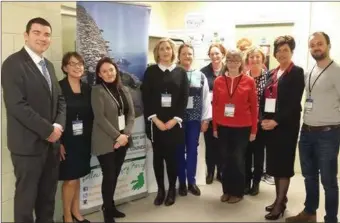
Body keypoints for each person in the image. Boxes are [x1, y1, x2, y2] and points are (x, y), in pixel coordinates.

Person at [1, 17, 66, 223]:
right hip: (28, 147)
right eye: (36, 33)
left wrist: (57, 126)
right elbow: (16, 105)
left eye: (46, 34)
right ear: (26, 35)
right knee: (25, 203)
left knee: (47, 200)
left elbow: (60, 99)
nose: (42, 38)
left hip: (51, 146)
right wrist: (48, 130)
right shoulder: (13, 64)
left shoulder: (48, 65)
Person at [286, 32, 340, 223]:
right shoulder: (310, 72)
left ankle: (331, 219)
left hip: (328, 133)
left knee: (329, 181)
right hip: (307, 132)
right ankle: (310, 213)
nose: (316, 47)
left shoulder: (337, 72)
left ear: (328, 45)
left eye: (320, 44)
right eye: (312, 45)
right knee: (309, 176)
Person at [260, 35, 305, 220]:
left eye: (285, 50)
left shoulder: (297, 72)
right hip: (271, 126)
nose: (281, 53)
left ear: (291, 51)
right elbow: (264, 99)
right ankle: (280, 198)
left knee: (284, 165)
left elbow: (294, 103)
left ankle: (279, 204)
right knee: (275, 165)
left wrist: (276, 120)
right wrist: (263, 119)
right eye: (278, 50)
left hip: (286, 126)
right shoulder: (271, 73)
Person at [142, 38, 189, 206]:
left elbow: (184, 99)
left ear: (173, 51)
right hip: (156, 123)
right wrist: (155, 119)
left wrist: (174, 120)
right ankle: (160, 190)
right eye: (162, 48)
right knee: (158, 157)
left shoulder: (181, 72)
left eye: (168, 48)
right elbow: (146, 97)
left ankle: (171, 191)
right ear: (157, 52)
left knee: (172, 158)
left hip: (174, 124)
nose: (165, 51)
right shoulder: (151, 72)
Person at [91, 57, 135, 223]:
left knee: (115, 174)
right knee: (109, 175)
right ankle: (107, 211)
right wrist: (118, 136)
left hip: (123, 139)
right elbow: (100, 118)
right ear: (99, 75)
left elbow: (131, 114)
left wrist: (126, 135)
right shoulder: (97, 90)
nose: (109, 73)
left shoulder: (123, 89)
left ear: (116, 70)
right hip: (106, 140)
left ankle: (110, 205)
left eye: (111, 70)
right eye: (104, 71)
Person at [212, 50, 258, 204]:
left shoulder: (249, 81)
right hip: (223, 126)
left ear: (241, 62)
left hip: (242, 127)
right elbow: (216, 105)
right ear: (226, 61)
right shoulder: (219, 81)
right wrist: (215, 127)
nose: (233, 62)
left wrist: (253, 130)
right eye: (230, 59)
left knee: (237, 160)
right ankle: (227, 190)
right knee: (225, 160)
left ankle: (237, 192)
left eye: (236, 59)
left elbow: (254, 107)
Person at [58, 52, 93, 223]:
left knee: (77, 177)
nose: (77, 67)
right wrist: (58, 143)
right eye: (72, 64)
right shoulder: (59, 88)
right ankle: (66, 217)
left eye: (80, 63)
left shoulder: (87, 88)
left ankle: (76, 212)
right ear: (65, 68)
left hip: (83, 140)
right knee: (70, 179)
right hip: (66, 141)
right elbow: (53, 117)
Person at [176, 43, 212, 196]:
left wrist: (205, 120)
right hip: (176, 120)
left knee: (192, 151)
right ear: (179, 56)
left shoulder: (200, 75)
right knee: (178, 151)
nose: (187, 56)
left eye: (189, 54)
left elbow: (205, 99)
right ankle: (182, 183)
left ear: (193, 56)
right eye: (184, 53)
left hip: (194, 120)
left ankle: (191, 181)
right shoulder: (174, 74)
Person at [244, 46, 268, 196]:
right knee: (246, 153)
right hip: (245, 122)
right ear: (247, 60)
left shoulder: (270, 77)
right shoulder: (243, 77)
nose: (254, 59)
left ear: (262, 59)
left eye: (257, 56)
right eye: (251, 57)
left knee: (258, 154)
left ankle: (257, 182)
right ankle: (246, 181)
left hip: (262, 122)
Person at [200, 43, 226, 184]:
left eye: (217, 53)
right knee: (210, 145)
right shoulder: (203, 72)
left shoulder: (228, 70)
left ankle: (220, 172)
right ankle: (210, 171)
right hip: (209, 115)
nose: (215, 56)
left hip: (224, 115)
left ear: (223, 54)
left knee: (222, 145)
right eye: (212, 54)